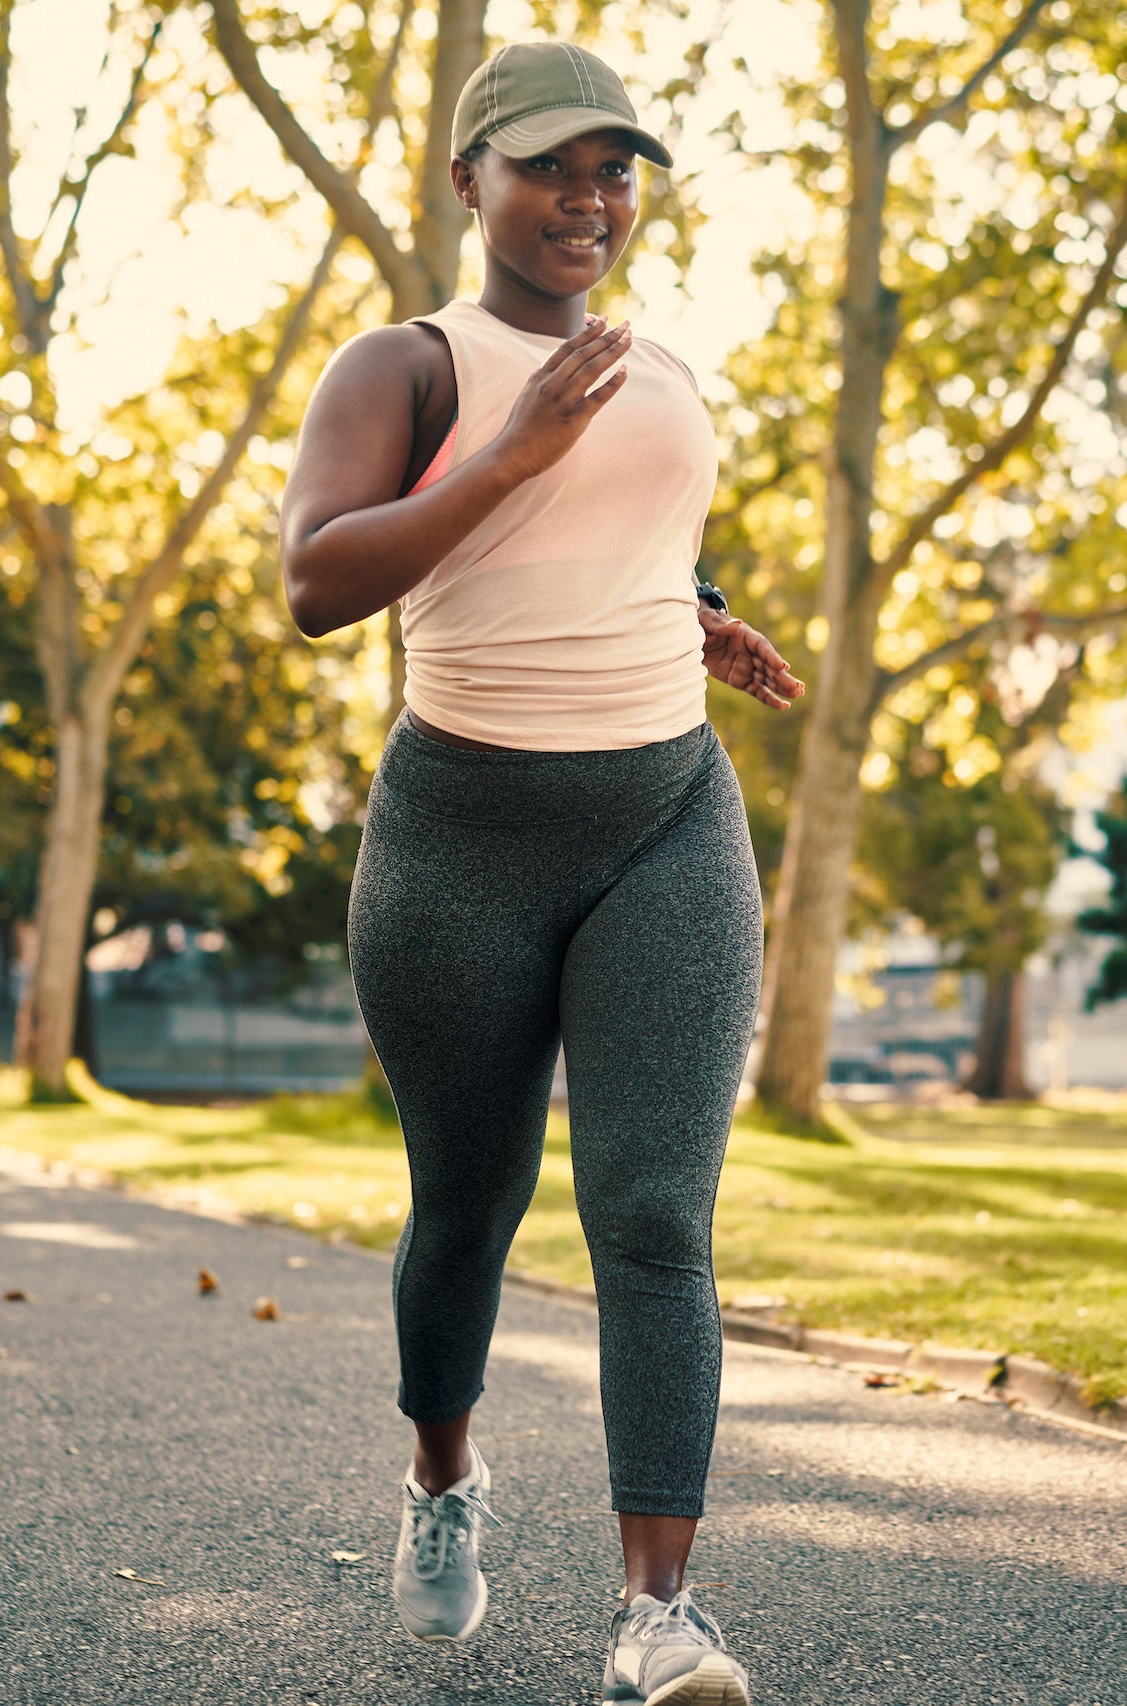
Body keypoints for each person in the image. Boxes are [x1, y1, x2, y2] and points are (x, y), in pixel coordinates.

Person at [280, 39, 802, 1706]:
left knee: (654, 1207)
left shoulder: (660, 367)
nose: (588, 199)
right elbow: (313, 579)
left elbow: (633, 536)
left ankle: (662, 1609)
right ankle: (444, 1480)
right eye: (548, 167)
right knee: (471, 1205)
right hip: (461, 840)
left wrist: (700, 615)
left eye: (614, 170)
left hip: (664, 815)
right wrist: (500, 457)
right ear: (469, 181)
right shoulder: (405, 365)